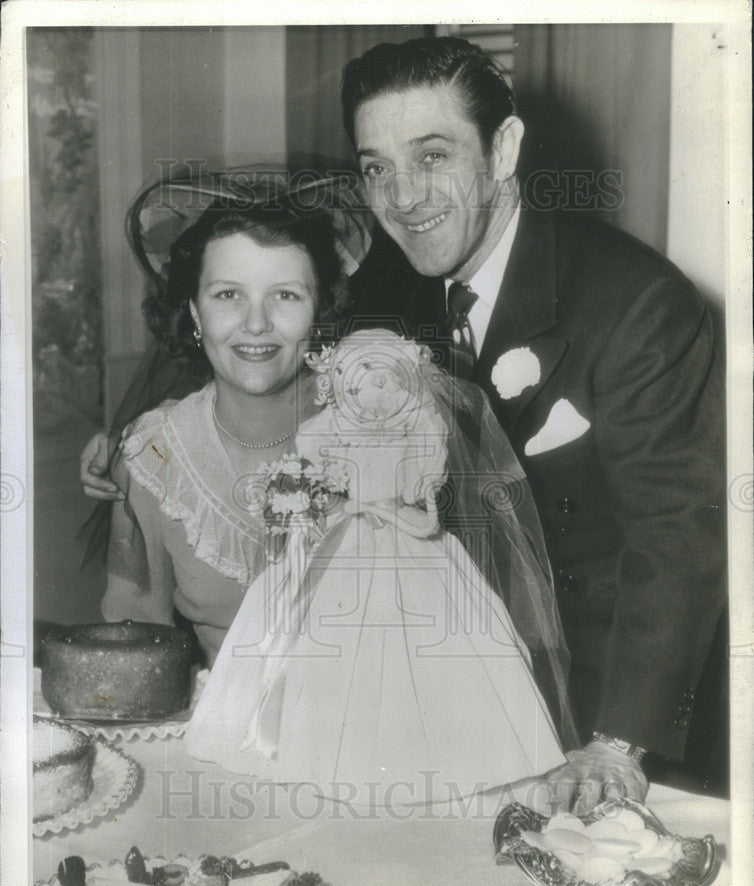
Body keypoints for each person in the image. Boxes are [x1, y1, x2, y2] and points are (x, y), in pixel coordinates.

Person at [82, 35, 727, 808]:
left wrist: (619, 744)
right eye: (375, 168)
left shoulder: (636, 302)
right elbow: (255, 344)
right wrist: (133, 438)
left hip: (604, 710)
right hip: (435, 703)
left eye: (431, 156)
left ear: (504, 148)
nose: (403, 198)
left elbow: (680, 534)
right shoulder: (392, 282)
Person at [186, 328, 576, 799]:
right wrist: (320, 510)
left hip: (410, 552)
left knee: (435, 646)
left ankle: (432, 761)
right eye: (364, 382)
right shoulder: (323, 433)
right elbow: (325, 497)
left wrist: (394, 511)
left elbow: (425, 518)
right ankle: (315, 751)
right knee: (321, 640)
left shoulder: (420, 434)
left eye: (388, 382)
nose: (377, 393)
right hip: (341, 544)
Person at [101, 196, 349, 668]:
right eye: (228, 294)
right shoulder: (154, 456)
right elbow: (136, 644)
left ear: (319, 312)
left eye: (286, 295)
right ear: (195, 314)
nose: (256, 324)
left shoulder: (373, 429)